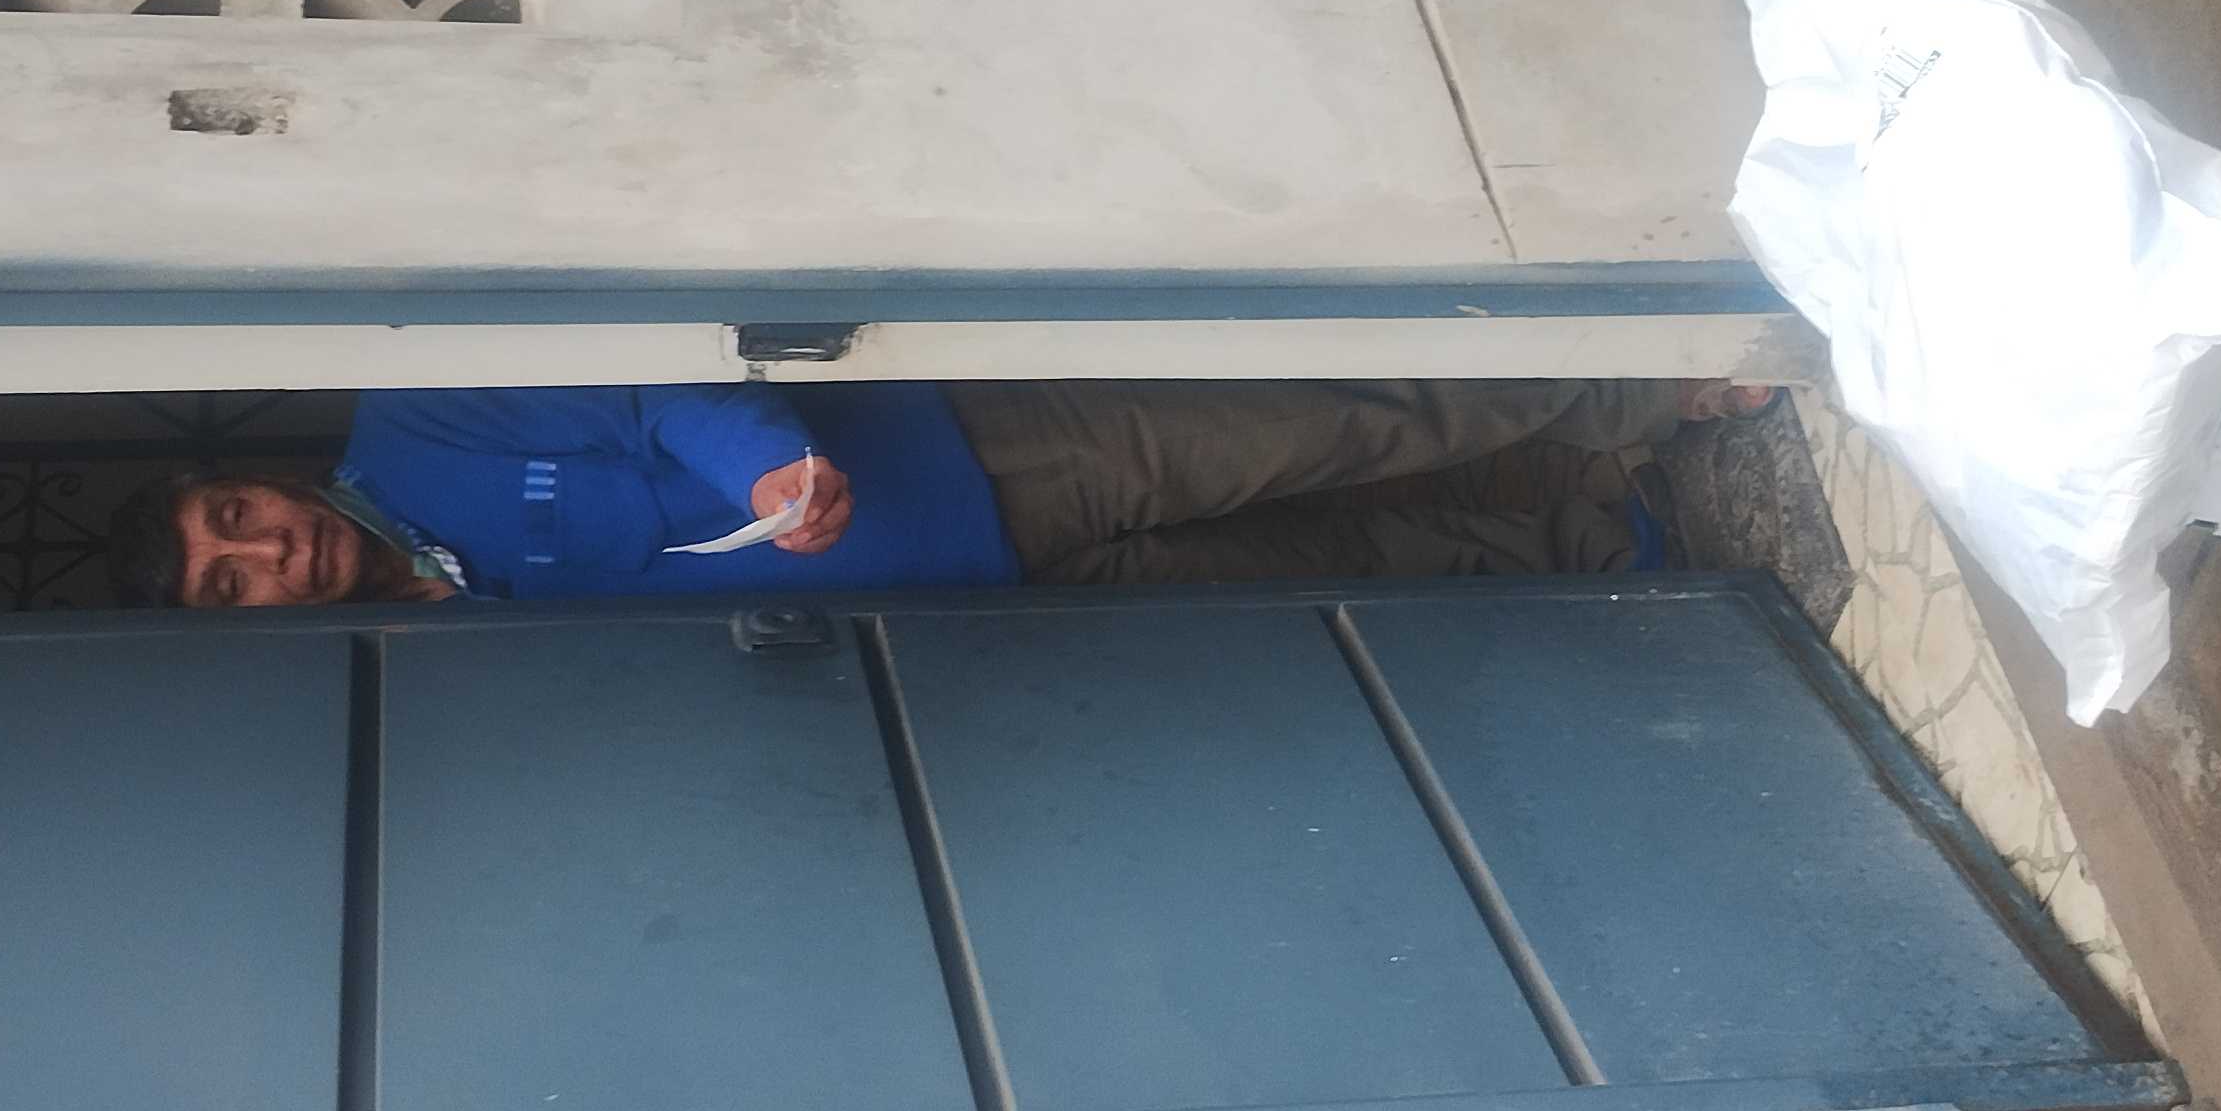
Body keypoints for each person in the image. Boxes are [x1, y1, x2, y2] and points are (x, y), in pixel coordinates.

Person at [107, 378, 1773, 610]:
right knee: (1336, 562)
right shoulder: (433, 662)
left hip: (974, 458)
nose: (266, 552)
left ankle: (1644, 390)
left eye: (232, 519)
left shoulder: (415, 424)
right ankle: (1603, 533)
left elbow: (638, 390)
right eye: (228, 578)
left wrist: (762, 461)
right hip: (973, 621)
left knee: (1329, 427)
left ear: (250, 478)